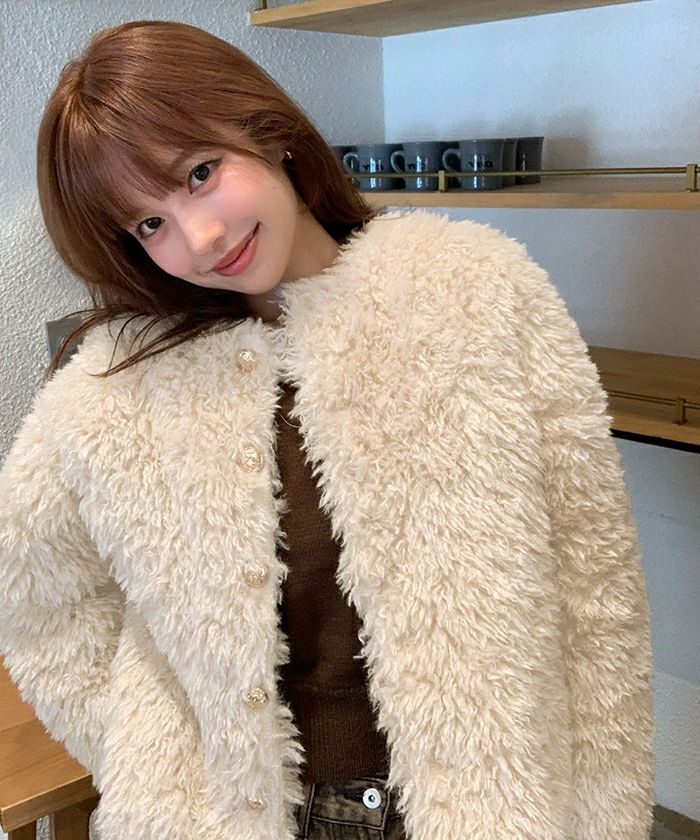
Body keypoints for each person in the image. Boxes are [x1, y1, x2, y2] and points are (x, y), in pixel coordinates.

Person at [0, 19, 654, 840]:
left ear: (267, 131)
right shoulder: (111, 386)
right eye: (148, 225)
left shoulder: (476, 292)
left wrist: (607, 813)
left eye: (200, 173)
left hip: (483, 802)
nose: (199, 238)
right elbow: (37, 599)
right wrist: (147, 755)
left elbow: (595, 586)